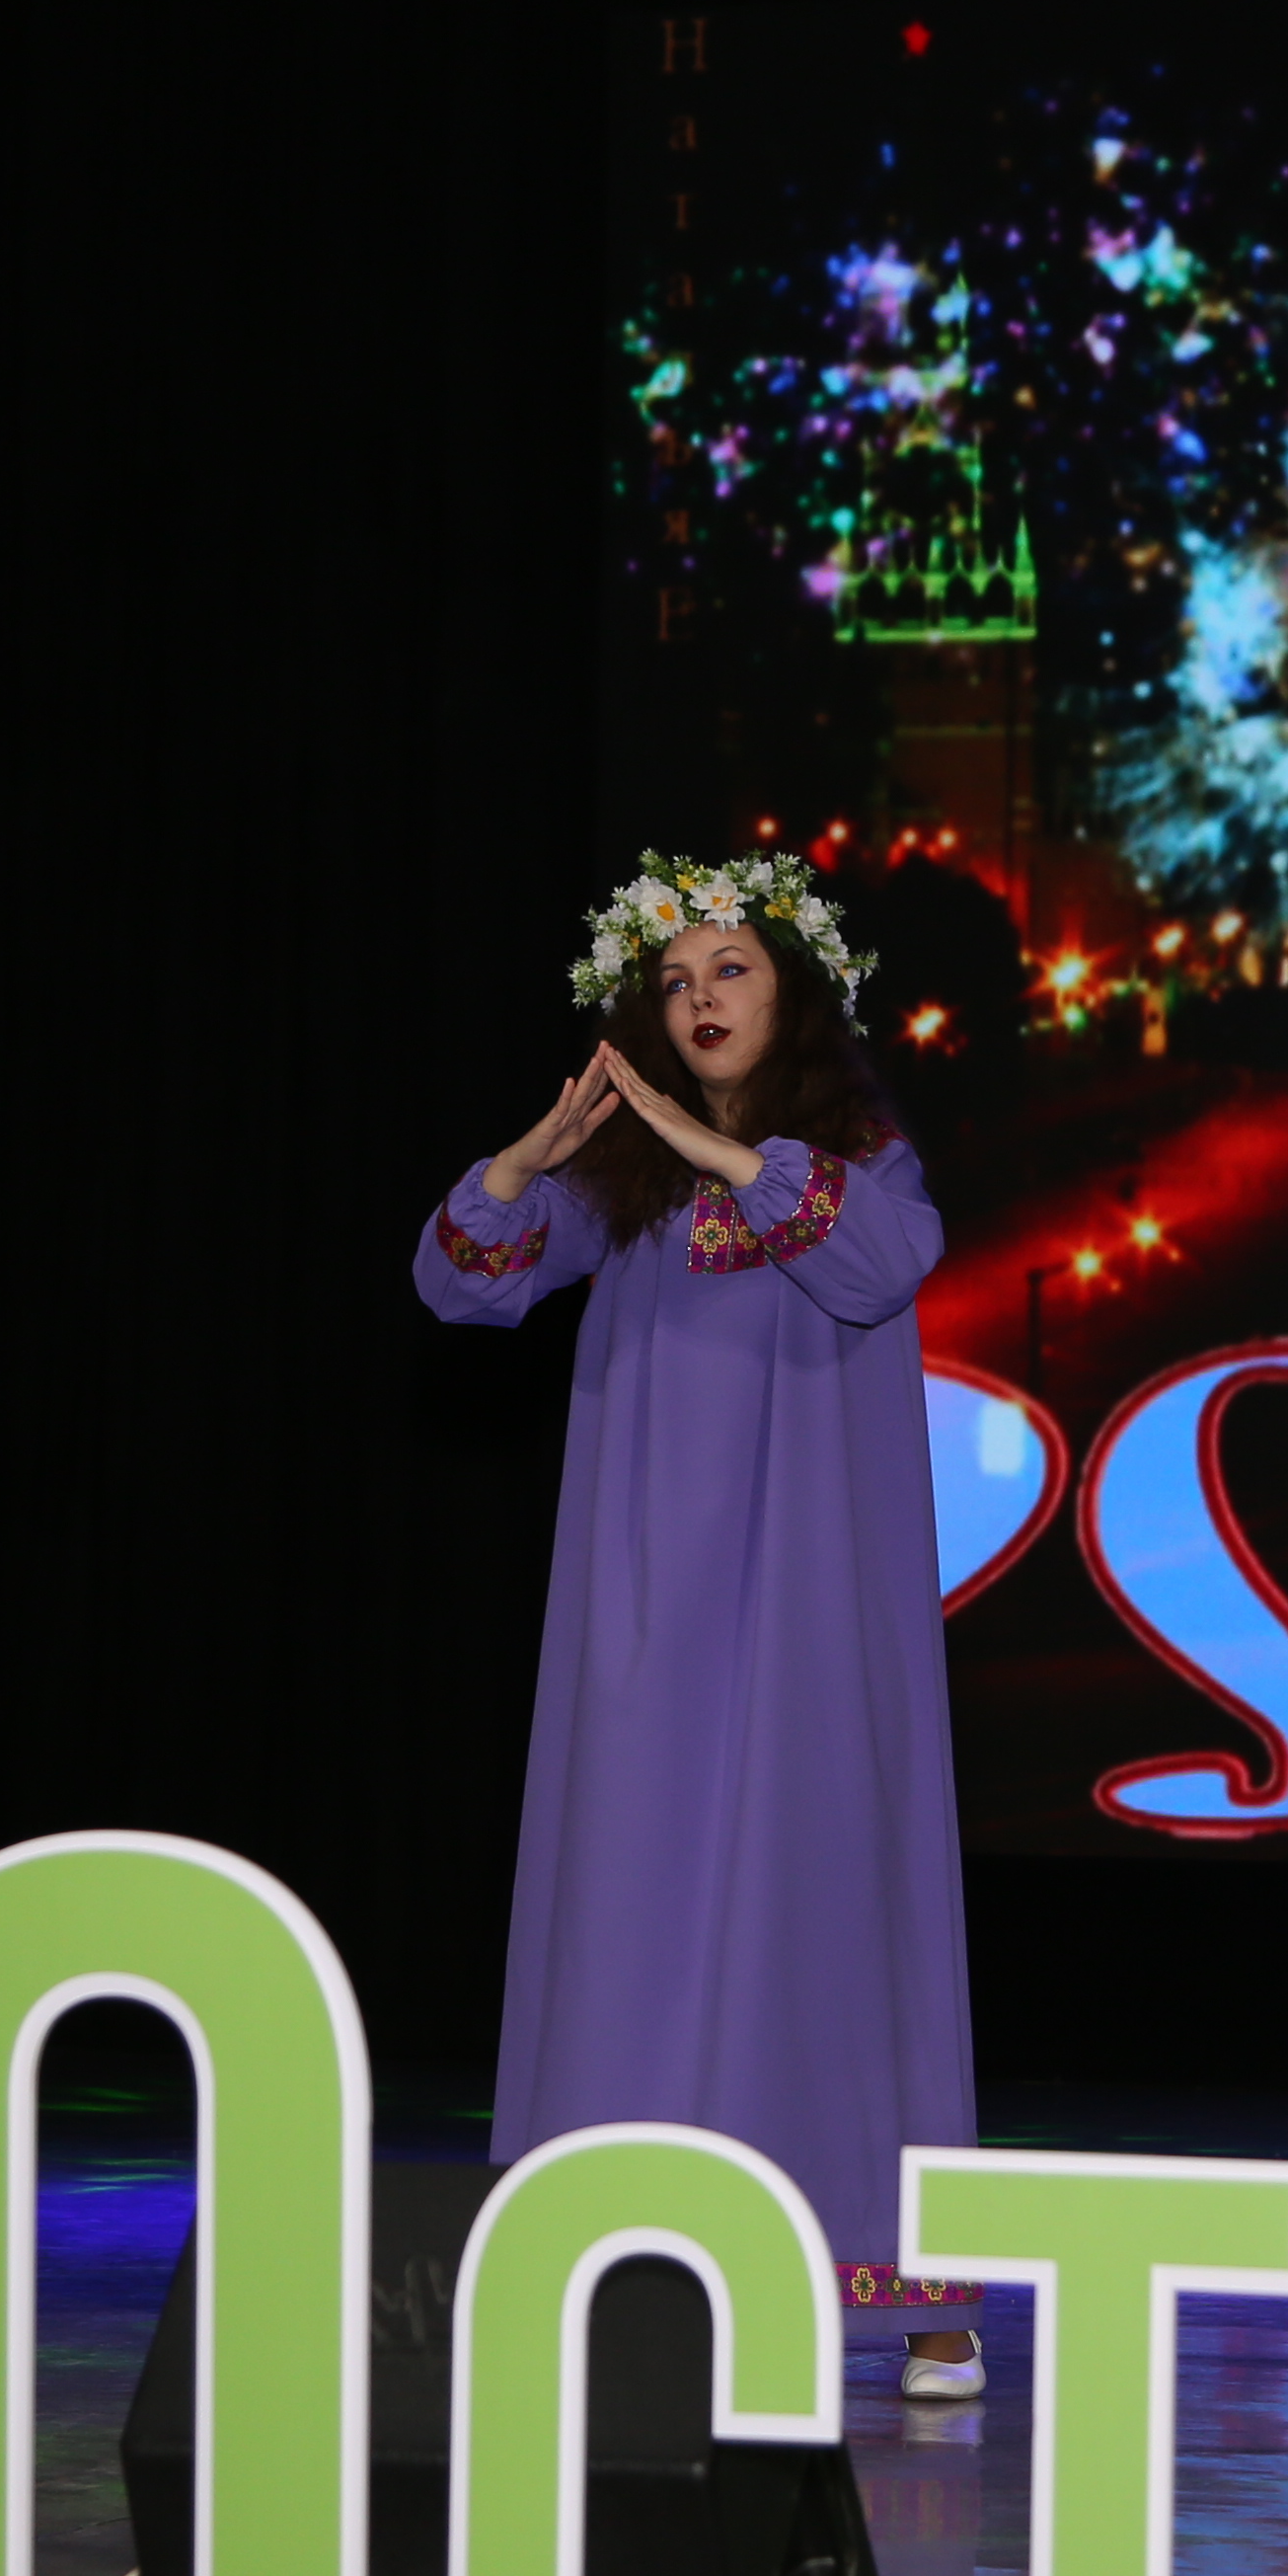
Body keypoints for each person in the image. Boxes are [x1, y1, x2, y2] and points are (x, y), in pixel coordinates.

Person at [416, 849, 987, 2390]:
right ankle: (607, 2254)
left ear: (795, 994)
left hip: (809, 1616)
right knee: (631, 1909)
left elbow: (885, 1266)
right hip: (651, 1615)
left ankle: (897, 2279)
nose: (700, 999)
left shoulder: (857, 1160)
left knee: (826, 1908)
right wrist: (527, 1163)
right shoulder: (628, 1183)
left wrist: (728, 1155)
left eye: (731, 968)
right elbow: (469, 1284)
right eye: (674, 982)